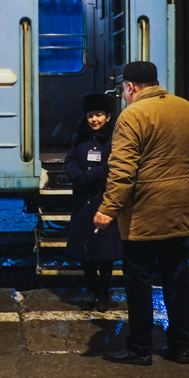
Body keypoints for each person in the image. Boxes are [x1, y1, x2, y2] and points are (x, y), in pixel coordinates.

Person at [92, 61, 189, 366]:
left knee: (139, 282)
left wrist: (108, 209)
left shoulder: (132, 115)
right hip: (180, 212)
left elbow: (122, 171)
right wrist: (184, 184)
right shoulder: (187, 109)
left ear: (130, 87)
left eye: (124, 89)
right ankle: (180, 347)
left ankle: (141, 348)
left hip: (142, 217)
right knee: (176, 279)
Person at [64, 92, 121, 311]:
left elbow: (115, 163)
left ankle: (104, 292)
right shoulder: (80, 135)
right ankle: (90, 290)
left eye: (98, 115)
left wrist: (90, 177)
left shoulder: (115, 137)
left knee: (105, 251)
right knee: (85, 250)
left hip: (103, 199)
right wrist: (77, 175)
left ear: (107, 116)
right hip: (82, 201)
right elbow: (70, 158)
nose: (94, 120)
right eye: (90, 115)